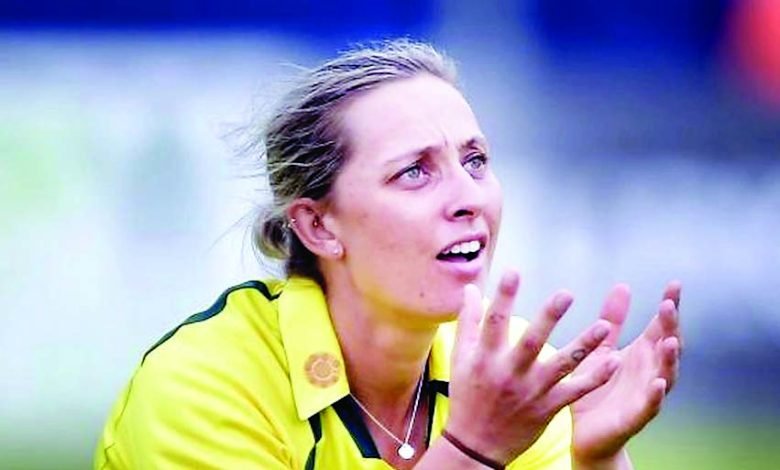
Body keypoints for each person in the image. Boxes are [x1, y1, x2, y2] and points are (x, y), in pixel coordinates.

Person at [95, 39, 682, 470]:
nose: (468, 197)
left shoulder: (510, 375)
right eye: (414, 172)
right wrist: (474, 448)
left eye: (475, 161)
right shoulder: (202, 386)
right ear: (318, 226)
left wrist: (598, 459)